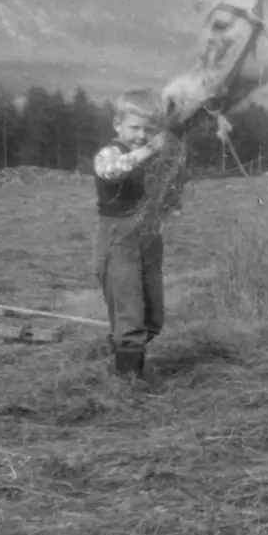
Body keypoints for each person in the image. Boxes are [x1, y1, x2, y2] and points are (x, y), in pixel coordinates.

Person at [92, 87, 171, 380]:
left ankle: (124, 355)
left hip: (148, 239)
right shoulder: (109, 153)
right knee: (129, 313)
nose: (141, 135)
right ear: (117, 125)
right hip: (118, 241)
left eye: (149, 129)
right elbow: (113, 171)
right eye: (134, 127)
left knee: (153, 316)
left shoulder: (150, 157)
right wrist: (152, 148)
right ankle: (127, 385)